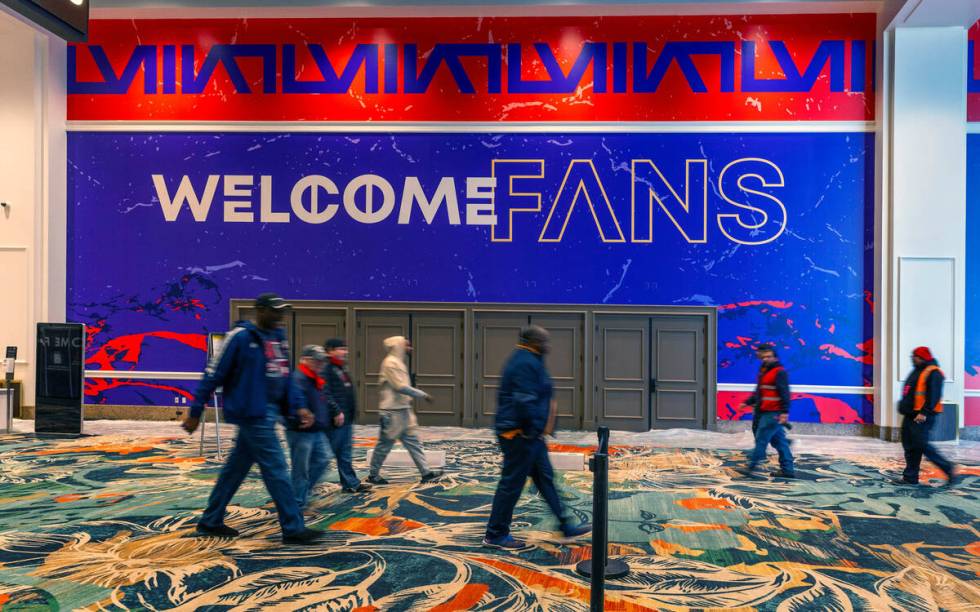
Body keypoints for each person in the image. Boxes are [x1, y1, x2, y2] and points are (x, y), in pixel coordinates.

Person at [182, 292, 321, 545]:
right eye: (275, 311)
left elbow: (285, 376)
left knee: (235, 470)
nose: (280, 317)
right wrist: (195, 411)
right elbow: (212, 374)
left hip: (269, 412)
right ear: (260, 311)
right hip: (252, 414)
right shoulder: (240, 338)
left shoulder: (278, 338)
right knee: (277, 469)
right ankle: (293, 528)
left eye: (282, 312)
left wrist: (299, 406)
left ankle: (210, 521)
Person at [483, 326, 592, 550]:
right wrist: (532, 431)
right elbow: (525, 401)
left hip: (530, 436)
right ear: (534, 342)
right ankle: (495, 534)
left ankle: (565, 525)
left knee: (546, 480)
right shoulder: (525, 362)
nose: (548, 345)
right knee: (511, 484)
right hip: (520, 435)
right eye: (545, 341)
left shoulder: (528, 359)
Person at [366, 336, 443, 484]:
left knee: (414, 442)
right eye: (407, 345)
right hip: (392, 412)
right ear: (398, 346)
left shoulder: (398, 362)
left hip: (403, 410)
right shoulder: (390, 363)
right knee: (384, 446)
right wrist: (423, 395)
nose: (410, 348)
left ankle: (426, 473)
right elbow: (400, 387)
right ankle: (373, 475)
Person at [894, 346, 961, 487]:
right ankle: (910, 478)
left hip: (922, 417)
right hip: (911, 415)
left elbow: (934, 395)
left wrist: (924, 412)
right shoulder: (919, 370)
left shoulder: (934, 373)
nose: (913, 358)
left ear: (922, 357)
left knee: (921, 445)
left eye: (915, 356)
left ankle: (948, 468)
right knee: (910, 446)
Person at [285, 345, 335, 509]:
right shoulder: (298, 378)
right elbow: (290, 403)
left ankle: (301, 493)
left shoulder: (314, 378)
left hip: (316, 429)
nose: (320, 364)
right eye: (317, 360)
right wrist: (298, 417)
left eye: (322, 361)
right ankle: (297, 503)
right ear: (305, 360)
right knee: (301, 469)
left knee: (323, 460)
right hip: (300, 431)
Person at [737, 344, 795, 479]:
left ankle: (751, 469)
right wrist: (747, 402)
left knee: (761, 440)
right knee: (780, 442)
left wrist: (784, 412)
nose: (765, 359)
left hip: (773, 414)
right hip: (765, 411)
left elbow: (785, 393)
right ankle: (788, 470)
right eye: (764, 356)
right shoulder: (764, 370)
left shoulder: (779, 372)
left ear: (775, 357)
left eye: (769, 356)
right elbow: (759, 392)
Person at [323, 338, 371, 493]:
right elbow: (325, 393)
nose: (345, 352)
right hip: (335, 419)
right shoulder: (326, 368)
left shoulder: (340, 368)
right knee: (323, 457)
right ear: (330, 351)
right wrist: (336, 411)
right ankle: (304, 488)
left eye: (345, 348)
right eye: (341, 349)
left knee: (344, 452)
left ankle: (351, 483)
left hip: (346, 418)